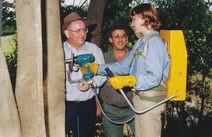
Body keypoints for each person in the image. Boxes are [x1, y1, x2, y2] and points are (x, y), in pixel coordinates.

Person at [86, 3, 170, 137]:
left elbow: (154, 77)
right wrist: (98, 68)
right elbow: (124, 65)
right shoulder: (141, 42)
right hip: (140, 101)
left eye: (134, 19)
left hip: (150, 103)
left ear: (145, 19)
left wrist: (129, 80)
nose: (132, 23)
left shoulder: (154, 42)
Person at [62, 12, 106, 137]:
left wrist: (91, 82)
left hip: (88, 105)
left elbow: (103, 73)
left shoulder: (94, 50)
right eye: (78, 31)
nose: (83, 34)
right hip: (66, 106)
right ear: (67, 33)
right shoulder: (59, 51)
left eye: (84, 30)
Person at [100, 23, 135, 137]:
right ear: (111, 39)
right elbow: (95, 84)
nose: (120, 40)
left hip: (133, 109)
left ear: (127, 39)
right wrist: (97, 106)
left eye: (123, 36)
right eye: (116, 36)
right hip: (110, 110)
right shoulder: (103, 58)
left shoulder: (136, 58)